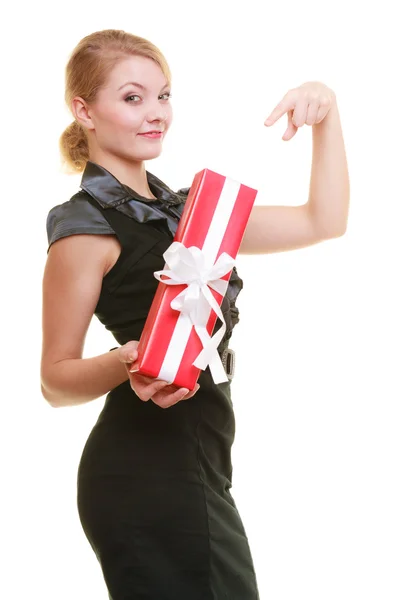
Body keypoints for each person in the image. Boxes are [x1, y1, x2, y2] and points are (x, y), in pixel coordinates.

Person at [40, 29, 349, 600]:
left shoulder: (194, 216)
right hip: (144, 474)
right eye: (133, 98)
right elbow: (54, 380)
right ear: (83, 110)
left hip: (202, 463)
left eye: (164, 95)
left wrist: (326, 111)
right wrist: (127, 360)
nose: (156, 113)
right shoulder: (84, 228)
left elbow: (321, 221)